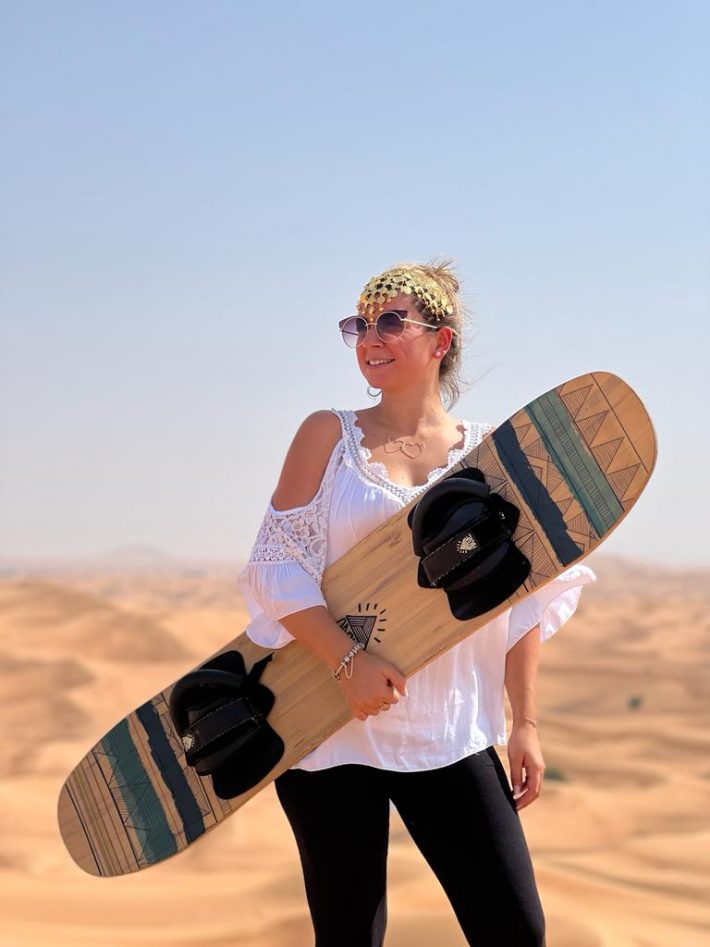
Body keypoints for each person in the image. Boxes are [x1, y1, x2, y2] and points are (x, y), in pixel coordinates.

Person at [238, 261, 596, 947]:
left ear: (440, 341)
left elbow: (521, 598)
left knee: (515, 929)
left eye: (391, 321)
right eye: (359, 324)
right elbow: (276, 568)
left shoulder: (491, 455)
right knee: (349, 937)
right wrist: (347, 662)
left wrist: (526, 723)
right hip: (332, 732)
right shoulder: (328, 437)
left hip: (449, 727)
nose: (370, 337)